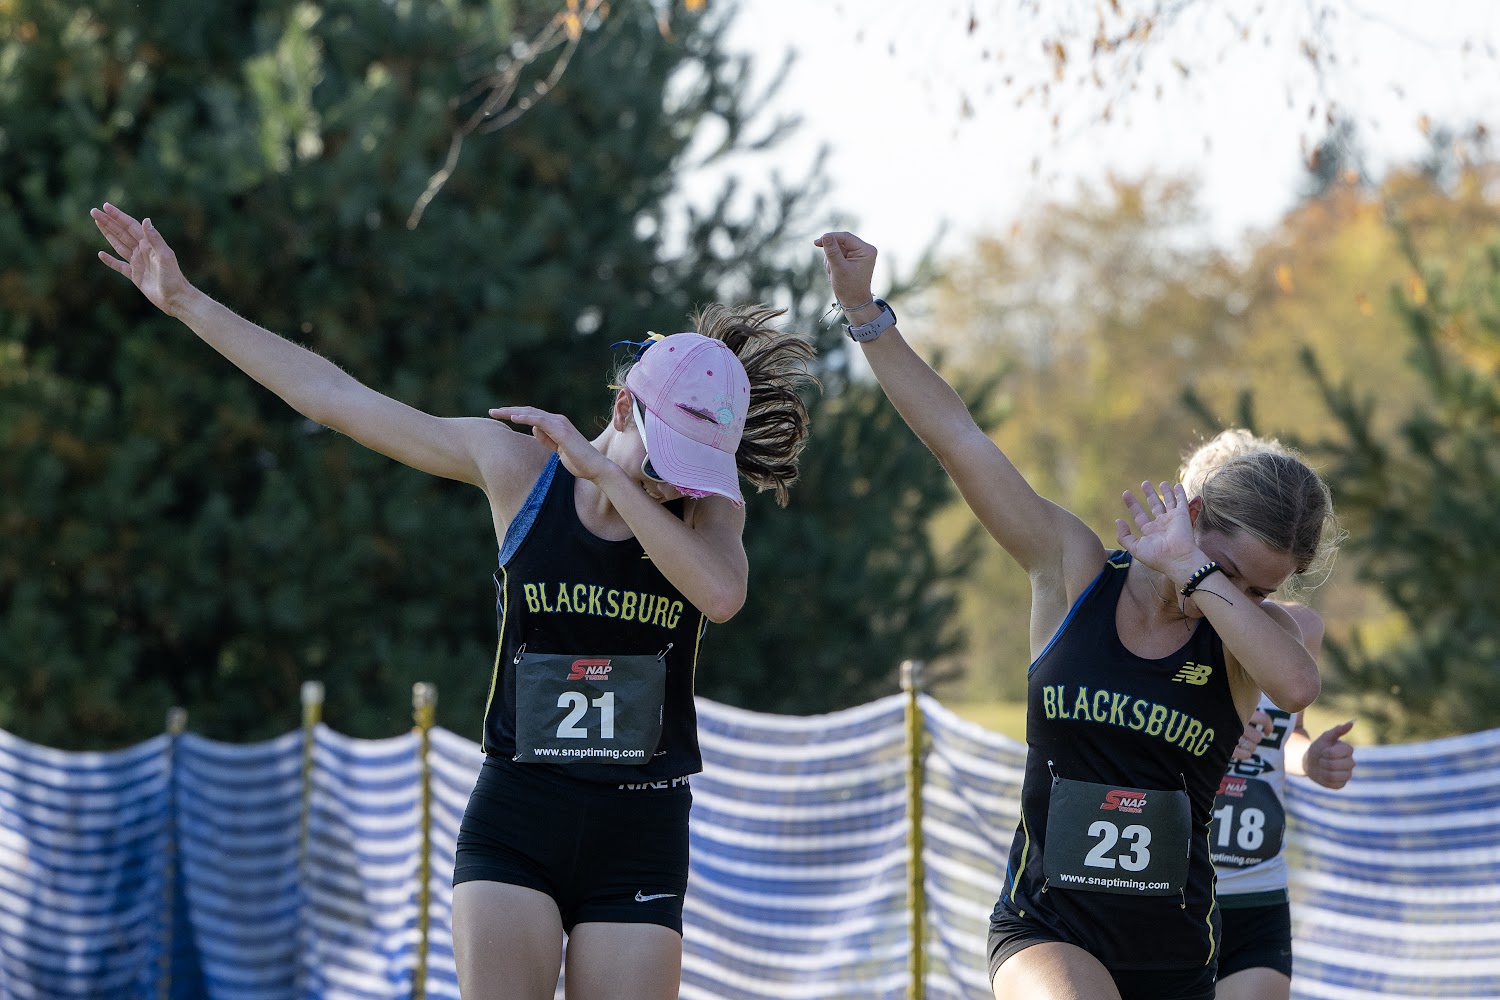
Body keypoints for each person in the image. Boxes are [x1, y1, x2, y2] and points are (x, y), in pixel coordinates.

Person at [92, 203, 817, 1000]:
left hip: (640, 830)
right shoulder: (517, 471)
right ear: (622, 409)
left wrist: (612, 474)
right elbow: (335, 398)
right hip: (521, 815)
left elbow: (721, 595)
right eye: (664, 459)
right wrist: (186, 300)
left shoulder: (710, 514)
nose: (675, 485)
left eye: (692, 469)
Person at [816, 231, 1341, 1000]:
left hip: (1174, 950)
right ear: (1193, 514)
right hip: (1046, 928)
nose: (1242, 598)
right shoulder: (1074, 568)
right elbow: (959, 440)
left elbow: (1296, 686)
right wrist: (863, 310)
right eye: (1231, 569)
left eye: (1262, 591)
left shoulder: (1248, 640)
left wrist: (1200, 574)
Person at [1180, 431, 1357, 1000]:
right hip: (1173, 888)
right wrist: (1213, 734)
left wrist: (1311, 759)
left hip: (1256, 889)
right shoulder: (1171, 624)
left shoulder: (1298, 629)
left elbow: (1288, 734)